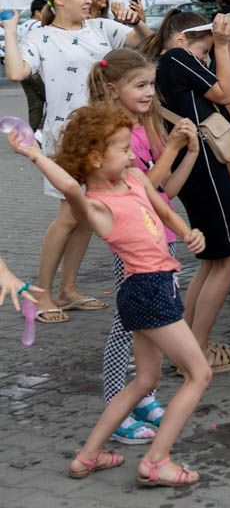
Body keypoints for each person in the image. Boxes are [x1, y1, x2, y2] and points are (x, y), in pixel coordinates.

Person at [9, 104, 212, 487]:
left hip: (152, 288)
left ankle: (88, 456)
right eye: (122, 149)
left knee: (143, 381)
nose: (132, 155)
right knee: (198, 373)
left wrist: (187, 233)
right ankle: (158, 461)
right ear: (96, 158)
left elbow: (163, 210)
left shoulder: (134, 179)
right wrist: (32, 152)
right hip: (147, 291)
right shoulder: (97, 207)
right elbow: (69, 186)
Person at [2, 0, 150, 324]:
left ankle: (68, 289)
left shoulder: (100, 28)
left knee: (88, 212)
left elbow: (142, 44)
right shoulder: (42, 36)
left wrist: (140, 22)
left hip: (104, 134)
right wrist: (9, 32)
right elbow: (17, 73)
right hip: (65, 137)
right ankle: (42, 295)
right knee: (69, 216)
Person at [88, 49, 201, 444]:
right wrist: (171, 150)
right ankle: (115, 407)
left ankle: (143, 393)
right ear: (112, 87)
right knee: (126, 325)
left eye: (152, 84)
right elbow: (142, 186)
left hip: (159, 238)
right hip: (134, 244)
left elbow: (166, 191)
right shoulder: (113, 136)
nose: (150, 92)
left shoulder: (142, 126)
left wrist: (188, 154)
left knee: (147, 325)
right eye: (140, 85)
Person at [147, 10, 230, 374]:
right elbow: (227, 92)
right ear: (182, 40)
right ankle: (197, 350)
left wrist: (226, 45)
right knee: (228, 257)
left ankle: (189, 343)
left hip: (195, 165)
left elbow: (226, 89)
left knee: (212, 258)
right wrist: (225, 45)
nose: (206, 59)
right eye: (203, 51)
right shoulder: (177, 58)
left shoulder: (166, 64)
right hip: (203, 165)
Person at [17, 0, 47, 130]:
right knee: (54, 100)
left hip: (23, 70)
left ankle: (32, 136)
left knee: (35, 104)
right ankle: (41, 132)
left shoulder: (22, 26)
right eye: (46, 10)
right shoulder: (38, 25)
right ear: (37, 12)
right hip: (36, 71)